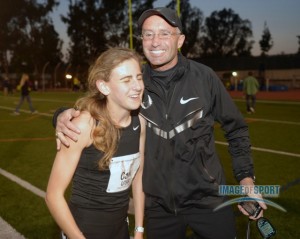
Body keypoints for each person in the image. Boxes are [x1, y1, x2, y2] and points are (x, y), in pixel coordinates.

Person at [53, 8, 266, 239]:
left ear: (180, 40)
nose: (155, 42)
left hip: (208, 200)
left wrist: (246, 179)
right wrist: (63, 114)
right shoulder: (135, 81)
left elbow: (236, 129)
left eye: (164, 33)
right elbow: (98, 100)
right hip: (157, 208)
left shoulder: (204, 78)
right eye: (147, 34)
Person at [45, 47, 145, 239]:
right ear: (104, 86)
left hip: (121, 230)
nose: (137, 86)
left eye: (139, 77)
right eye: (126, 80)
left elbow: (139, 177)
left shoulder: (139, 123)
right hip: (83, 230)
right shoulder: (84, 125)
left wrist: (139, 229)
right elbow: (53, 195)